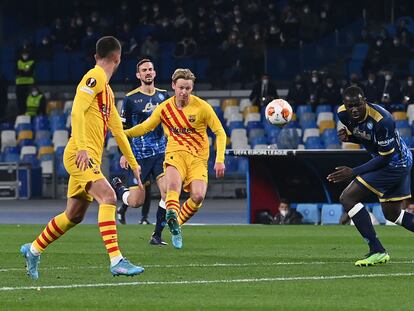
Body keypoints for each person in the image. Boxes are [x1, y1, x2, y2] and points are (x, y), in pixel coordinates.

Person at [19, 36, 145, 280]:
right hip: (79, 155)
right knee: (108, 197)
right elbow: (76, 109)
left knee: (74, 215)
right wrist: (83, 146)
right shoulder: (95, 76)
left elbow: (118, 131)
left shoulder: (107, 92)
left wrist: (134, 163)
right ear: (118, 59)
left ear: (97, 55)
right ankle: (117, 260)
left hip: (86, 158)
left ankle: (33, 250)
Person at [124, 68, 226, 249]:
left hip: (198, 158)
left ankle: (176, 224)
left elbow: (220, 133)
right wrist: (122, 133)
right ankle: (171, 213)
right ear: (173, 86)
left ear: (192, 88)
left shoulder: (202, 107)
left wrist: (219, 159)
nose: (184, 92)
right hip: (174, 154)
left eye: (188, 88)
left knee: (198, 196)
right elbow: (145, 127)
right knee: (172, 187)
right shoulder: (164, 108)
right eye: (181, 88)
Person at [327, 86, 414, 267]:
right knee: (393, 215)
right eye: (350, 106)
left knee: (348, 197)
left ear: (364, 101)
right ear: (345, 105)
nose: (354, 109)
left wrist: (353, 172)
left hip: (395, 164)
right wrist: (350, 137)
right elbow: (367, 137)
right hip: (393, 161)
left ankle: (377, 250)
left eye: (358, 104)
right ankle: (378, 251)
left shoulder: (383, 120)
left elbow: (385, 157)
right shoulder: (343, 114)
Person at [111, 58, 169, 246]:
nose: (148, 72)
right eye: (144, 70)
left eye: (150, 69)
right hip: (139, 157)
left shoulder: (164, 96)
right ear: (138, 75)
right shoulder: (130, 99)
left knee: (168, 193)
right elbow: (122, 129)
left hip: (161, 153)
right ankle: (120, 187)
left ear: (155, 73)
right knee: (136, 201)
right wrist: (124, 153)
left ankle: (157, 235)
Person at [15, 49, 35, 116]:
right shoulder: (18, 62)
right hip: (19, 85)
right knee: (20, 101)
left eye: (26, 54)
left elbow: (30, 72)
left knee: (29, 101)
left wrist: (21, 71)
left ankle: (28, 115)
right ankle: (21, 115)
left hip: (28, 85)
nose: (25, 56)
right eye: (23, 54)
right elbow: (16, 71)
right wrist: (24, 71)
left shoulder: (31, 62)